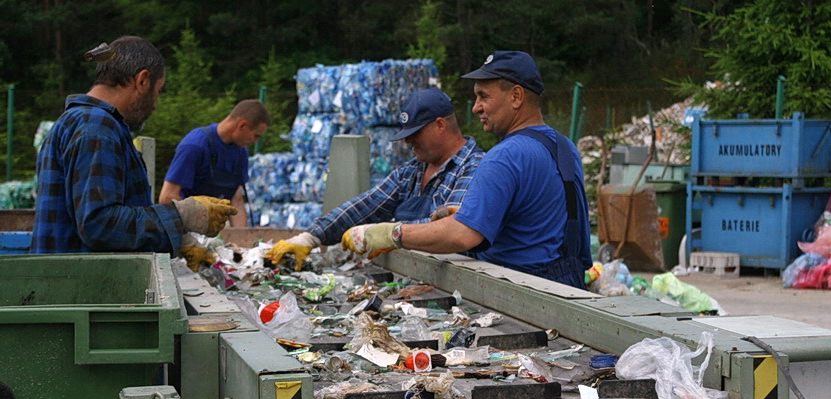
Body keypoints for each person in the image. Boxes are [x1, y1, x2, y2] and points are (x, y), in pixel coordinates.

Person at [341, 51, 592, 289]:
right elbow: (541, 218)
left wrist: (391, 233)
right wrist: (479, 212)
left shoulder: (504, 156)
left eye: (484, 96)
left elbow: (461, 236)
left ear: (516, 96)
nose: (475, 108)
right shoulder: (564, 146)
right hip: (569, 286)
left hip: (526, 291)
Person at [31, 36, 236, 259]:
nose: (155, 104)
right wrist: (180, 216)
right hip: (79, 286)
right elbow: (100, 225)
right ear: (142, 80)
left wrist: (176, 238)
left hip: (69, 280)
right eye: (158, 91)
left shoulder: (83, 123)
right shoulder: (97, 127)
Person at [266, 88, 483, 266]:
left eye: (414, 134)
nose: (408, 143)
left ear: (440, 125)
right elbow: (363, 207)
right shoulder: (412, 171)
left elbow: (449, 229)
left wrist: (389, 232)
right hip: (414, 276)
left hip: (459, 282)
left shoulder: (475, 169)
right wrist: (311, 237)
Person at [158, 99, 270, 227]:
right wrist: (201, 221)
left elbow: (236, 200)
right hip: (185, 229)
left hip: (214, 230)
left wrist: (242, 240)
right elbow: (167, 197)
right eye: (256, 136)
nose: (255, 142)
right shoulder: (195, 145)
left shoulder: (241, 152)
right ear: (242, 125)